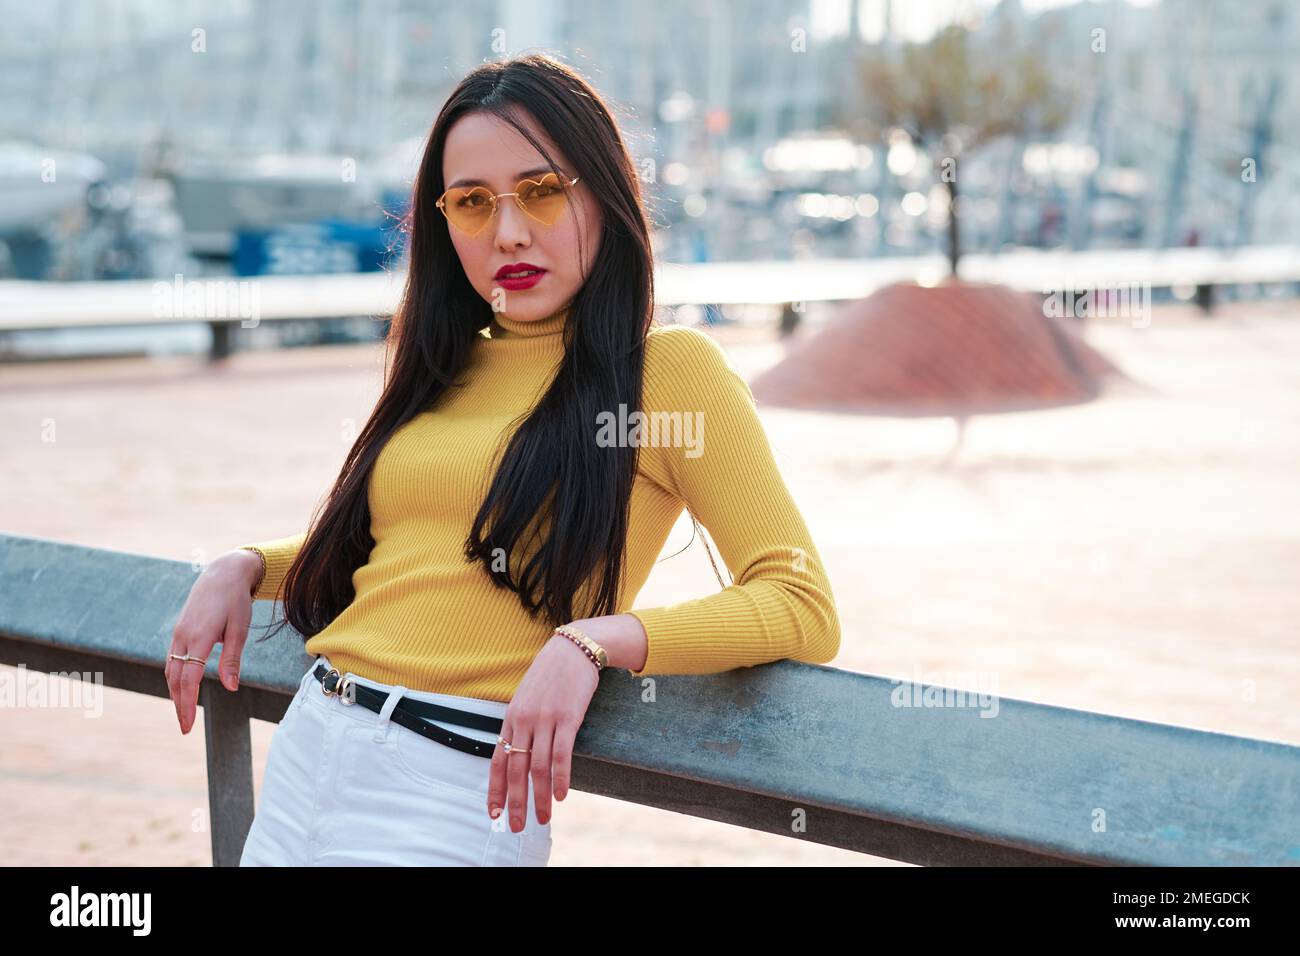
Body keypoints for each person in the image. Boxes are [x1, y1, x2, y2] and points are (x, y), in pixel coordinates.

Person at [164, 53, 841, 867]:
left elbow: (801, 601)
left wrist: (596, 643)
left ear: (603, 190)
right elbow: (414, 561)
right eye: (473, 203)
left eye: (543, 190)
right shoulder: (449, 363)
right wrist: (245, 566)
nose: (509, 231)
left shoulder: (668, 374)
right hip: (311, 749)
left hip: (453, 791)